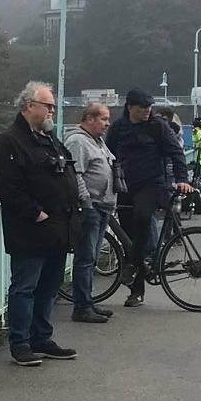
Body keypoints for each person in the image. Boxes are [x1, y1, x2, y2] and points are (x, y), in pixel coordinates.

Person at [0, 82, 81, 365]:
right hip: (31, 230)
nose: (51, 111)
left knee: (49, 286)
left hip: (58, 228)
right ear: (29, 106)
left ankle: (41, 337)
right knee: (25, 287)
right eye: (48, 106)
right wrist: (36, 213)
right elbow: (9, 187)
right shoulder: (10, 141)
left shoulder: (49, 138)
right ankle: (20, 343)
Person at [105, 89, 193, 308]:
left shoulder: (158, 126)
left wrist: (182, 178)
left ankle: (133, 265)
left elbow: (176, 153)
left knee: (143, 217)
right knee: (129, 238)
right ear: (130, 107)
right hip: (125, 185)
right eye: (143, 108)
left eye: (149, 108)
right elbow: (108, 155)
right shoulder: (118, 128)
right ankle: (137, 292)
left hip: (152, 184)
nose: (147, 112)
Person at [63, 103, 117, 323]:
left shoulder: (97, 141)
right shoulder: (77, 141)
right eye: (103, 119)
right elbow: (75, 173)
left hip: (102, 205)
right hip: (91, 207)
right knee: (85, 258)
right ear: (89, 118)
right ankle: (82, 306)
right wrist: (86, 201)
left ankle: (88, 302)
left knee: (91, 257)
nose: (107, 124)